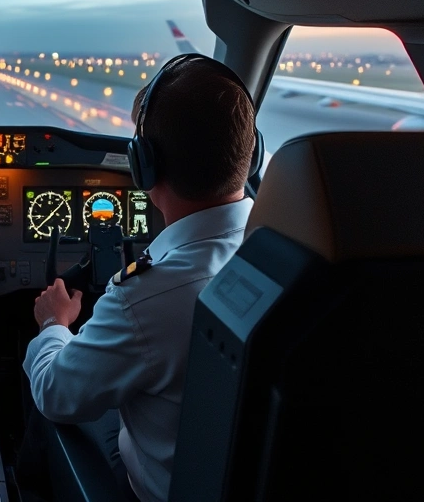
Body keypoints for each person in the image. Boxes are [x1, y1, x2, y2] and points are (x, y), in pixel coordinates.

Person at [20, 54, 258, 502]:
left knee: (43, 387)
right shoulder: (282, 250)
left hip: (153, 489)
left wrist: (54, 325)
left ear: (143, 166)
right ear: (252, 152)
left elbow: (56, 392)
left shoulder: (147, 297)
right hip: (242, 475)